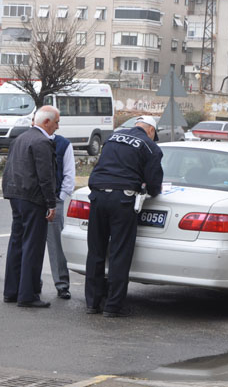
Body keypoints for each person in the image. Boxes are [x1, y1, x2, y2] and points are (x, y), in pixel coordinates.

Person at [85, 115, 163, 318]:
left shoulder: (112, 138)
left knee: (96, 251)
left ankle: (92, 303)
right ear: (151, 131)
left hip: (98, 196)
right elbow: (154, 184)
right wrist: (151, 188)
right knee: (120, 252)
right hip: (123, 200)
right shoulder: (150, 146)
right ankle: (113, 306)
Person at [2, 105, 59, 308]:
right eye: (56, 122)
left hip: (16, 195)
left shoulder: (21, 138)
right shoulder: (42, 142)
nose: (57, 127)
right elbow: (45, 177)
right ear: (46, 122)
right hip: (33, 199)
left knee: (16, 243)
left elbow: (9, 168)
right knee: (32, 247)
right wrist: (51, 203)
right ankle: (27, 295)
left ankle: (11, 291)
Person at [46, 133, 75, 300]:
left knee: (56, 245)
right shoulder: (29, 139)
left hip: (54, 199)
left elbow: (69, 174)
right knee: (31, 245)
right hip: (34, 200)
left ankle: (62, 285)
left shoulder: (63, 144)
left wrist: (61, 198)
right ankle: (33, 283)